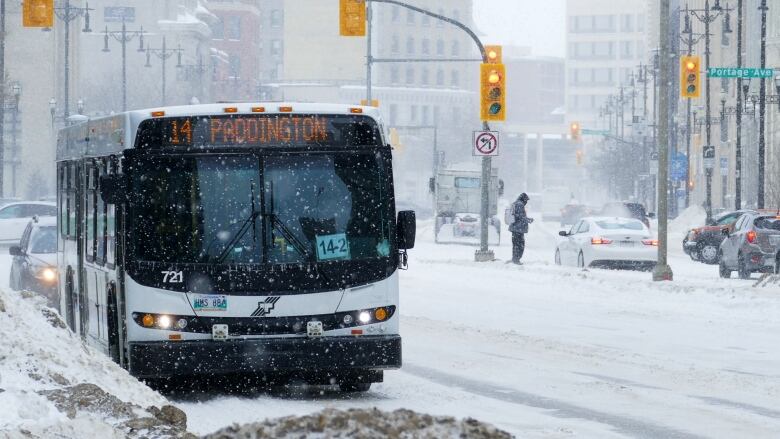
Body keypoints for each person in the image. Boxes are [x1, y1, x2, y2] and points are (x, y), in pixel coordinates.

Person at [509, 193, 533, 264]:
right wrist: (529, 220)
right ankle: (516, 259)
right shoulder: (519, 204)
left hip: (515, 228)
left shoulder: (515, 203)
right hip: (518, 229)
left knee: (516, 245)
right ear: (523, 199)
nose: (526, 202)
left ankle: (515, 259)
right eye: (526, 200)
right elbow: (520, 217)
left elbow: (518, 216)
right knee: (520, 245)